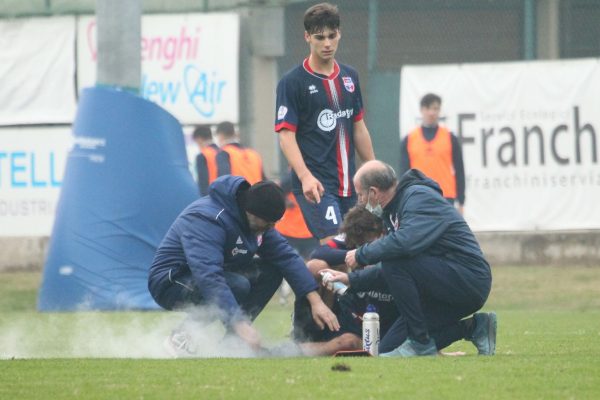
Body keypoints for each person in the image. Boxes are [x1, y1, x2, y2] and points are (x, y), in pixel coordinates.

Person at [148, 176, 339, 356]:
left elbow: (286, 257)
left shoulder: (257, 220)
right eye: (268, 223)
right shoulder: (207, 219)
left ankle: (232, 343)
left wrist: (316, 301)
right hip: (171, 281)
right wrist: (240, 322)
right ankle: (181, 337)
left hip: (214, 276)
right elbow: (208, 275)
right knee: (238, 285)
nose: (270, 228)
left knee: (271, 272)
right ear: (251, 213)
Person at [341, 160, 495, 357]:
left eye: (360, 194)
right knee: (387, 350)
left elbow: (404, 244)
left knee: (393, 258)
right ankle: (475, 327)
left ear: (373, 192)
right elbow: (392, 270)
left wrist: (362, 254)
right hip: (440, 284)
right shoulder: (393, 211)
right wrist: (350, 280)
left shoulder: (418, 197)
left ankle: (420, 342)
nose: (359, 201)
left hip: (468, 279)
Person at [275, 2, 375, 243]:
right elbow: (285, 136)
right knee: (336, 250)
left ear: (339, 33)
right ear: (307, 37)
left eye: (332, 36)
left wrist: (373, 169)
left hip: (351, 186)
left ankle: (324, 280)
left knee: (362, 252)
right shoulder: (292, 82)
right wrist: (305, 176)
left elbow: (358, 127)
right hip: (317, 186)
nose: (327, 43)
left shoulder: (350, 76)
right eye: (320, 37)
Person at [400, 93, 466, 214]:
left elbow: (460, 170)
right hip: (418, 196)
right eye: (427, 108)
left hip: (445, 196)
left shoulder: (450, 137)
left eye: (435, 108)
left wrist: (461, 201)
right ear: (421, 110)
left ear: (439, 110)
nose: (431, 112)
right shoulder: (409, 139)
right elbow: (405, 173)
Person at [192, 125, 220, 196]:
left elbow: (203, 182)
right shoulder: (223, 152)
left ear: (199, 139)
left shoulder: (202, 155)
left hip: (212, 196)